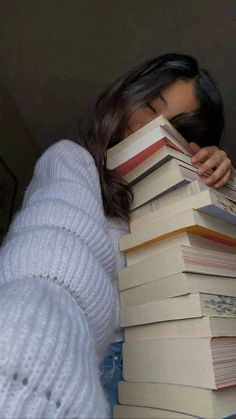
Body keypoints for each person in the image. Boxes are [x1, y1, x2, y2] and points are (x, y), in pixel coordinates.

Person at [0, 53, 234, 418]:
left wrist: (216, 184)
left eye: (178, 128)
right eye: (151, 107)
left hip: (192, 372)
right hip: (96, 367)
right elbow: (51, 251)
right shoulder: (73, 163)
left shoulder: (170, 196)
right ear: (128, 94)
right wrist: (24, 359)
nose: (155, 129)